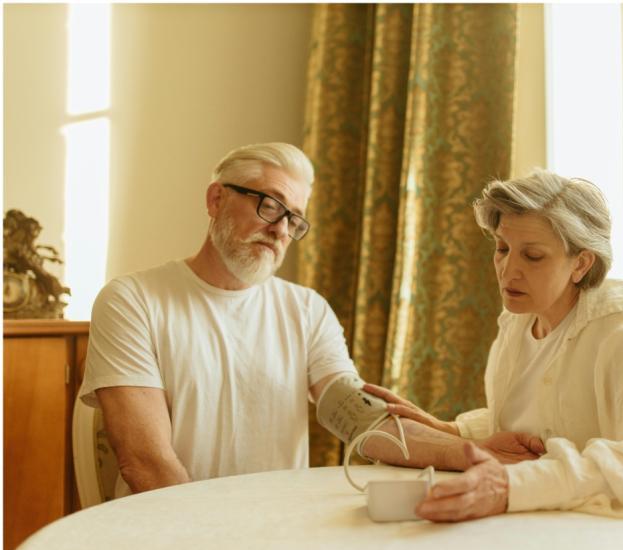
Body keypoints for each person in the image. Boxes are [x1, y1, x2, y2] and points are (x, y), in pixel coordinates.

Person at [80, 142, 543, 498]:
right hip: (174, 537)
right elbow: (146, 462)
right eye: (269, 205)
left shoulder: (306, 309)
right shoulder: (133, 300)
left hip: (278, 535)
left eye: (295, 219)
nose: (281, 229)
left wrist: (469, 451)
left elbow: (359, 418)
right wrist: (207, 542)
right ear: (216, 199)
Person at [364, 170, 623, 522]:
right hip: (546, 525)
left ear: (581, 263)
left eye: (533, 256)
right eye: (502, 248)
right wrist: (453, 431)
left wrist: (512, 486)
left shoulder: (622, 330)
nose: (508, 270)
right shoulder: (519, 319)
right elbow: (546, 426)